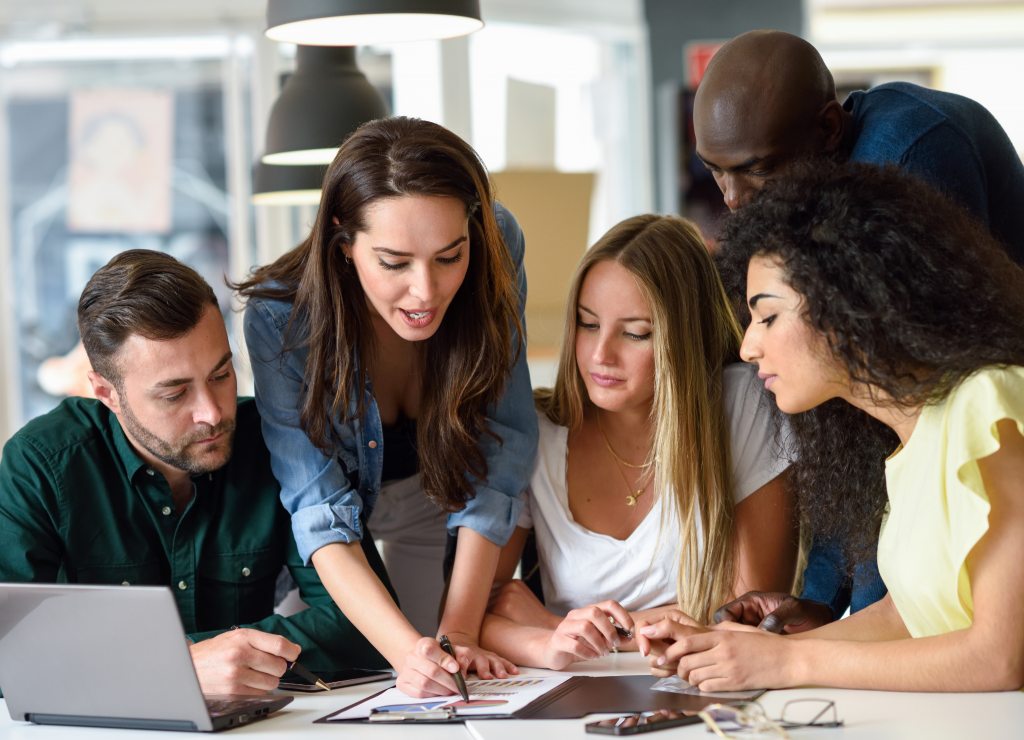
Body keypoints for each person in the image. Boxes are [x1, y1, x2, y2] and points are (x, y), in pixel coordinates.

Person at [636, 163, 1024, 692]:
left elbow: (1000, 658)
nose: (748, 347)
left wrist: (787, 665)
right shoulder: (908, 438)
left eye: (767, 316)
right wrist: (739, 651)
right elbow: (906, 619)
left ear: (850, 302)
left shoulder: (988, 403)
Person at [692, 29, 1024, 630]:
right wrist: (822, 602)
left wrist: (853, 621)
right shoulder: (813, 202)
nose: (735, 200)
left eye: (756, 170)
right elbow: (843, 421)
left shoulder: (909, 161)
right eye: (716, 174)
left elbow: (894, 420)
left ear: (826, 131)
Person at [238, 117, 539, 699]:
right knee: (362, 679)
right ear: (342, 241)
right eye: (394, 263)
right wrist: (408, 654)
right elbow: (319, 510)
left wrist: (457, 632)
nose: (425, 292)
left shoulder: (498, 244)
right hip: (338, 532)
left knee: (455, 673)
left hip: (446, 495)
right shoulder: (281, 317)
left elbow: (501, 446)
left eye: (449, 256)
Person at [0, 250, 386, 697]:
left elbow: (366, 628)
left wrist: (201, 658)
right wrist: (172, 665)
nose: (212, 412)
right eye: (175, 393)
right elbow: (11, 652)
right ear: (107, 393)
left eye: (221, 374)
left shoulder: (274, 445)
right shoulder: (40, 465)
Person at [478, 215, 798, 670]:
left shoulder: (743, 404)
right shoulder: (538, 431)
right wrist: (548, 642)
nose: (599, 355)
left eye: (635, 333)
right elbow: (479, 616)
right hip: (573, 693)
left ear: (683, 338)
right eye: (588, 324)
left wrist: (557, 626)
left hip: (706, 685)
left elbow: (748, 615)